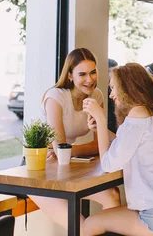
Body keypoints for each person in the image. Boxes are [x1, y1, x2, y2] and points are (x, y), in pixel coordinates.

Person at [82, 63, 153, 236]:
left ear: (128, 88)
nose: (111, 95)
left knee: (89, 224)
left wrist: (101, 119)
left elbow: (108, 164)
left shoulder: (138, 113)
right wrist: (102, 130)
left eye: (113, 88)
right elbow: (129, 143)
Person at [30, 48, 120, 230]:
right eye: (82, 74)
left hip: (65, 165)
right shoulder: (56, 97)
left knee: (112, 195)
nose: (90, 79)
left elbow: (97, 143)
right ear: (70, 75)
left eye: (93, 72)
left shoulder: (96, 96)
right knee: (80, 227)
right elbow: (60, 148)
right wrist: (64, 151)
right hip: (40, 171)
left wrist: (69, 152)